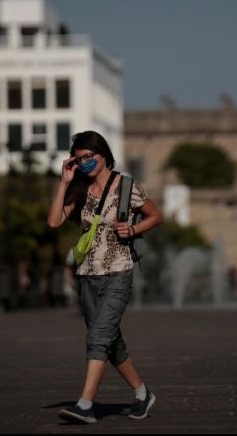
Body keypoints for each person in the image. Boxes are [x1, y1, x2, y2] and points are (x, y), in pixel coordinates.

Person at [48, 131, 163, 424]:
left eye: (90, 157)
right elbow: (54, 221)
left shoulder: (127, 187)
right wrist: (64, 183)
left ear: (103, 154)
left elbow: (154, 216)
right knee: (111, 342)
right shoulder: (80, 188)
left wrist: (134, 230)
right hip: (87, 275)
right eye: (79, 158)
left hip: (118, 273)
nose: (85, 163)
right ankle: (142, 394)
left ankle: (85, 404)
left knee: (98, 337)